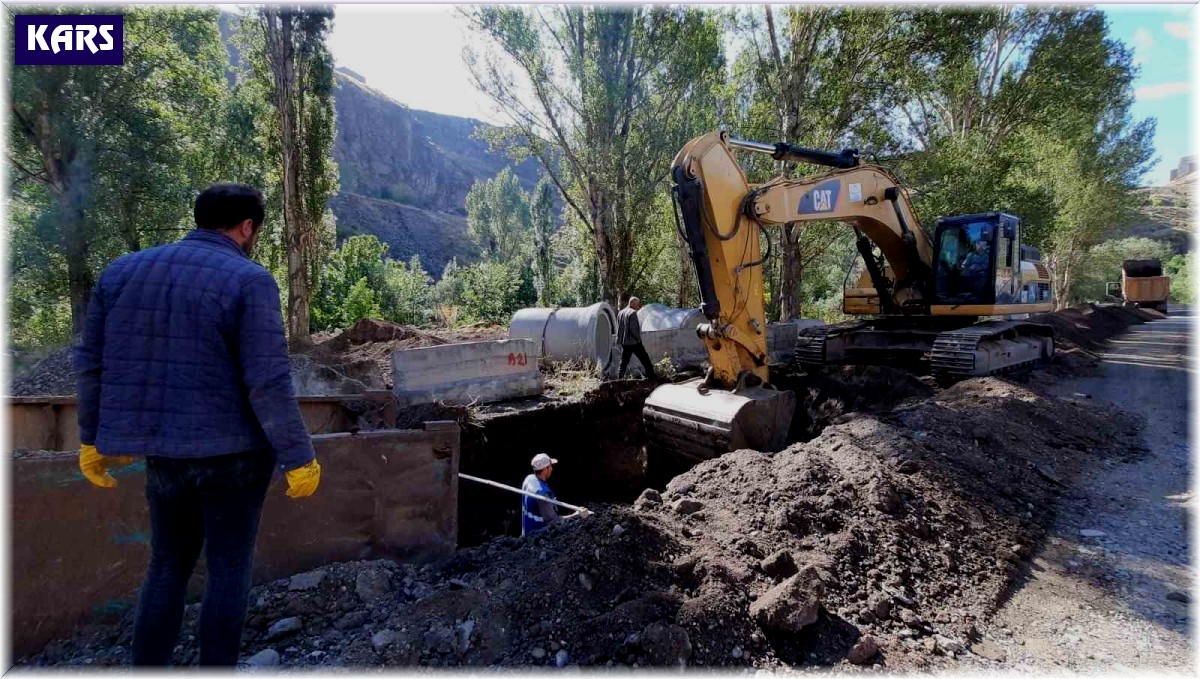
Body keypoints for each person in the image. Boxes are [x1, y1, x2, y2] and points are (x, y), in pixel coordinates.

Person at [73, 183, 322, 667]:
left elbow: (91, 363)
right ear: (247, 228)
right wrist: (299, 456)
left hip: (165, 455)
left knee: (166, 566)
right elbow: (267, 380)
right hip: (235, 457)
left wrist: (92, 437)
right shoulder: (248, 280)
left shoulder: (121, 272)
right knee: (228, 571)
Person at [616, 296, 656, 380]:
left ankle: (619, 378)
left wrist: (620, 341)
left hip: (624, 342)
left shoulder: (620, 313)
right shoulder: (632, 313)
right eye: (637, 304)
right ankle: (652, 377)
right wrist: (638, 340)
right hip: (634, 342)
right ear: (632, 303)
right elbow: (634, 329)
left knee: (623, 362)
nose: (638, 306)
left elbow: (618, 328)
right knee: (645, 359)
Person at [521, 453, 560, 536]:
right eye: (550, 466)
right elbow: (554, 522)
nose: (552, 469)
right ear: (545, 469)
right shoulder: (543, 495)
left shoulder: (529, 479)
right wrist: (575, 516)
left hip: (527, 533)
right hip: (538, 539)